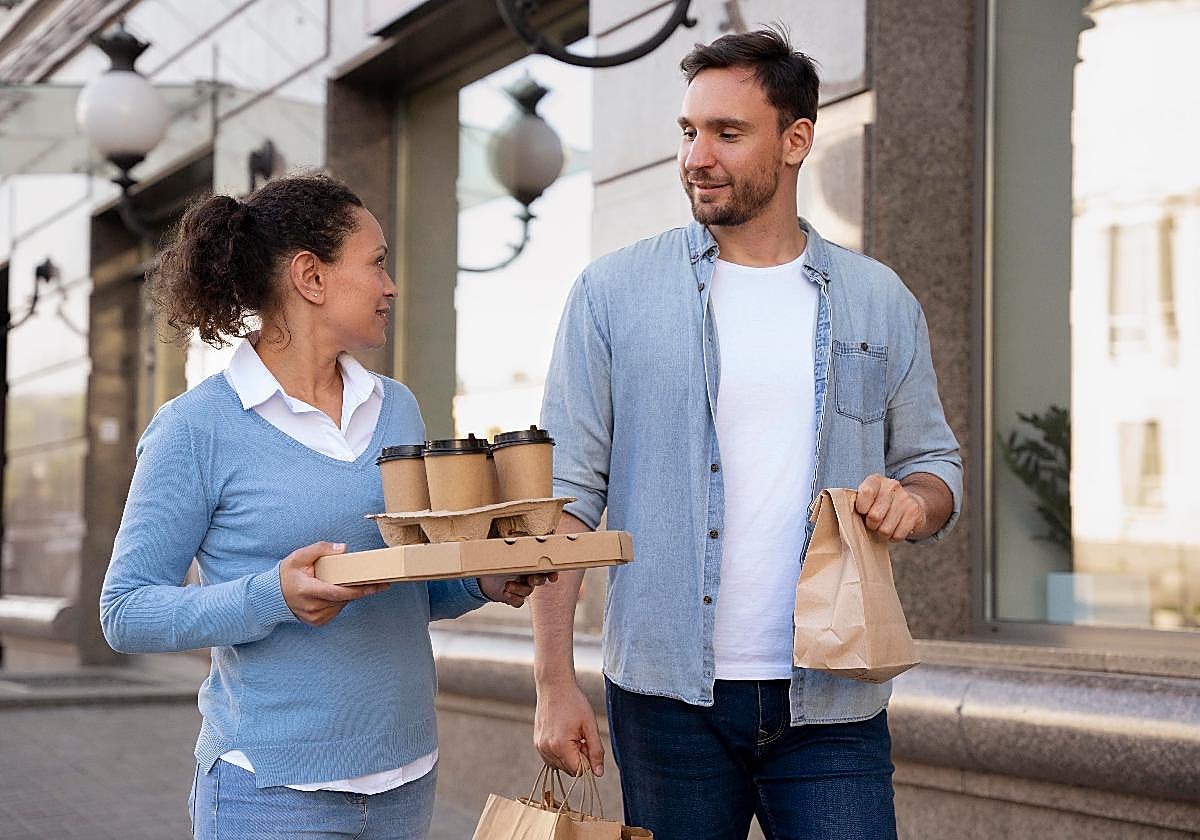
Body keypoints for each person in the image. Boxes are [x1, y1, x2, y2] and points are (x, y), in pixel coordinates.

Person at [532, 28, 962, 840]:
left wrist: (913, 501)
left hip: (832, 695)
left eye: (728, 134)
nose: (699, 155)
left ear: (795, 140)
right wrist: (553, 679)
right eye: (689, 132)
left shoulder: (879, 299)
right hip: (666, 700)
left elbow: (934, 465)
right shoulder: (612, 294)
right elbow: (567, 498)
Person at [100, 172, 552, 840]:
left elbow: (411, 579)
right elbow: (125, 612)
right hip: (271, 791)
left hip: (406, 777)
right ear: (311, 277)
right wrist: (271, 596)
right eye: (376, 263)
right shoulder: (194, 429)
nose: (390, 285)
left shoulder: (396, 406)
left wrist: (484, 579)